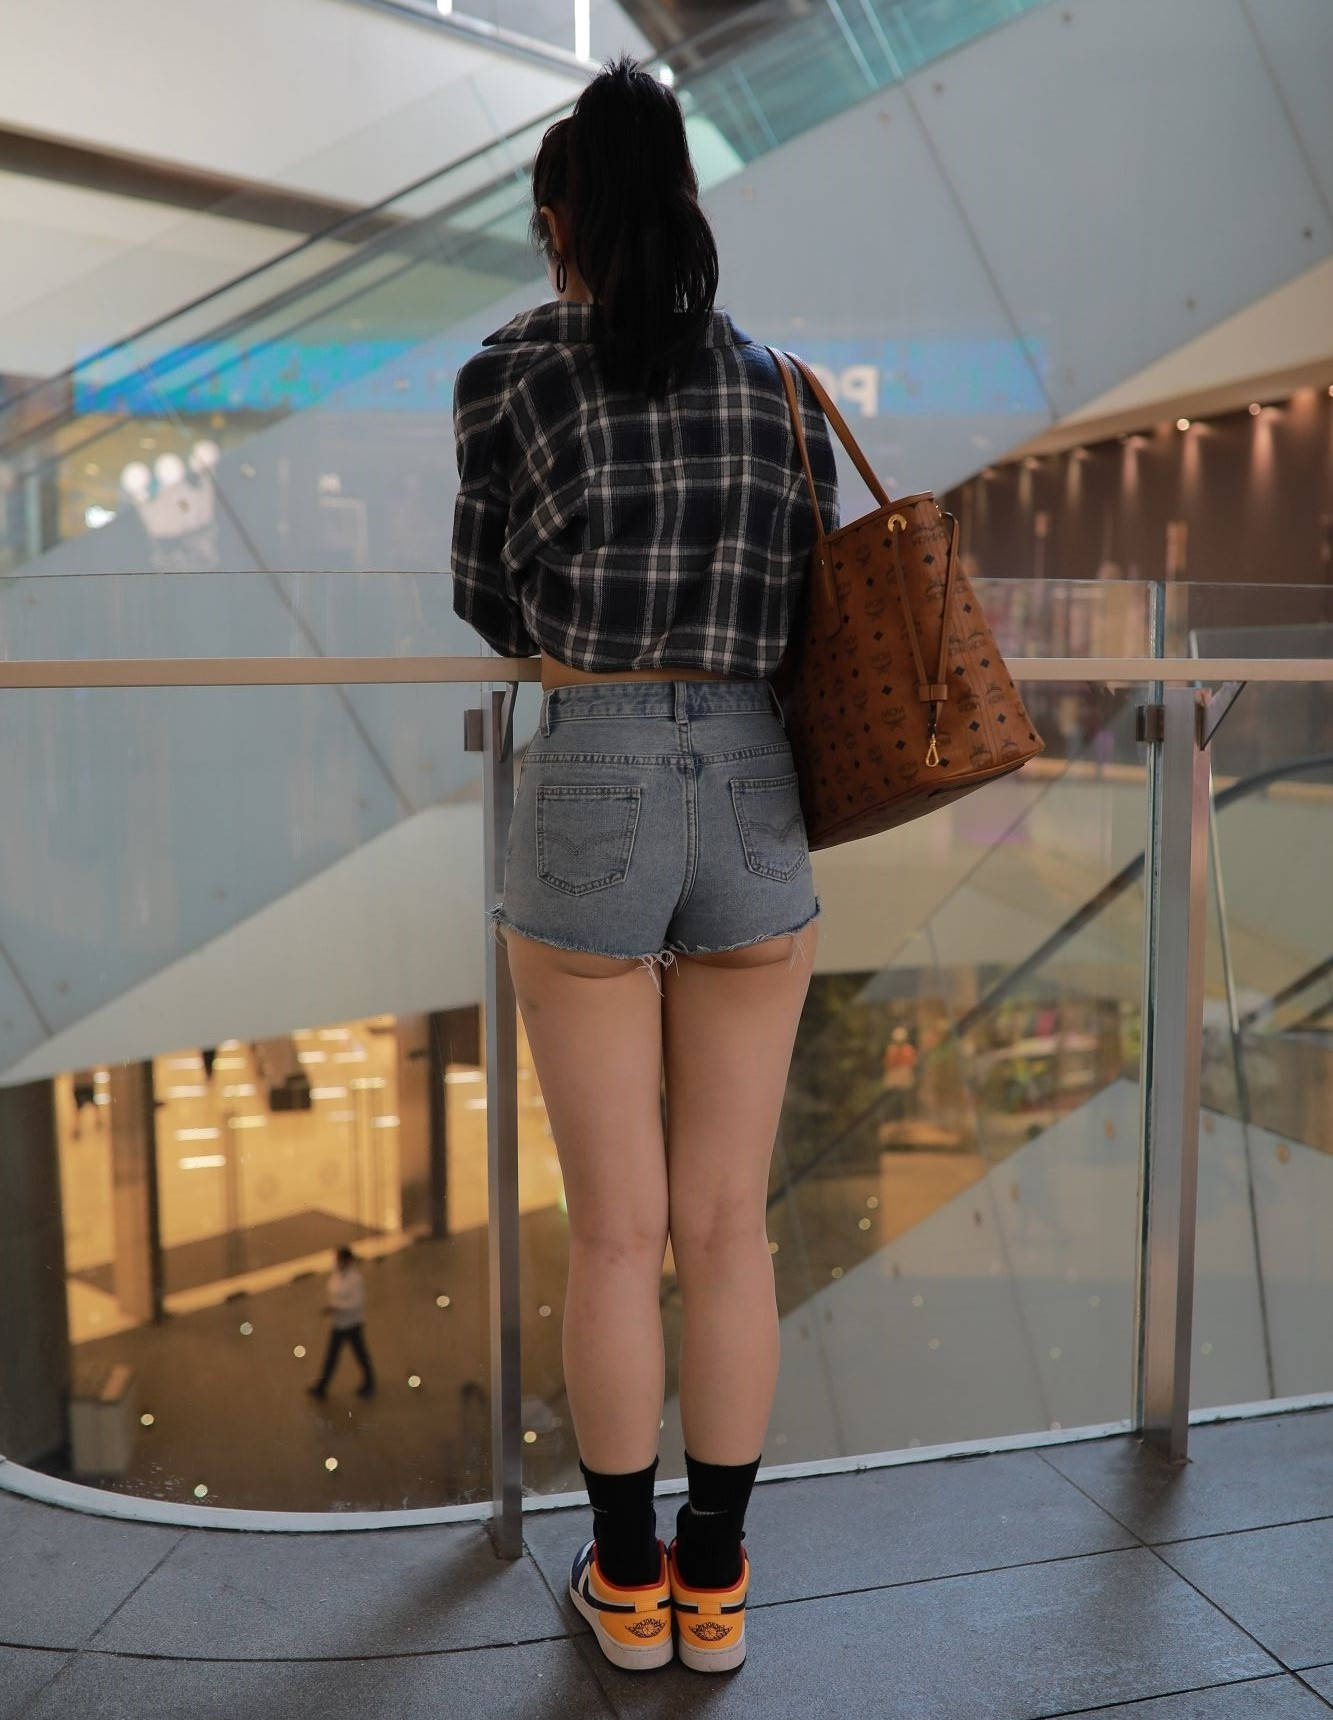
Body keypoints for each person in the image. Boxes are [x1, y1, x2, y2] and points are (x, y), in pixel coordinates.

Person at [451, 53, 838, 1675]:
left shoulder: (506, 373)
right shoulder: (780, 387)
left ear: (560, 223)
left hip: (591, 772)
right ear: (686, 203)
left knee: (616, 1233)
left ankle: (623, 1588)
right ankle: (715, 1586)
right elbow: (811, 600)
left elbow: (488, 604)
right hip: (752, 778)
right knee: (727, 1225)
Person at [307, 1245, 375, 1399]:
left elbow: (357, 1302)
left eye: (338, 1259)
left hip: (352, 1324)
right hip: (339, 1323)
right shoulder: (337, 1275)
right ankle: (321, 1387)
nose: (336, 1262)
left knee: (359, 1355)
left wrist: (336, 1307)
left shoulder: (355, 1279)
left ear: (346, 1260)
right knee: (333, 1356)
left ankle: (369, 1382)